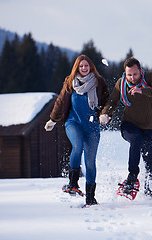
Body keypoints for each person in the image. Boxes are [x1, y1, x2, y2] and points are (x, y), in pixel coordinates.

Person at [44, 54, 109, 207]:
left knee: (90, 162)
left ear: (91, 67)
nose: (84, 68)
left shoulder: (99, 83)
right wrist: (53, 120)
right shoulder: (70, 83)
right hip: (73, 123)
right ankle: (72, 183)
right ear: (77, 68)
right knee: (77, 147)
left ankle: (90, 198)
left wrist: (106, 114)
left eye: (86, 66)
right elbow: (60, 101)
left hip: (92, 127)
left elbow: (107, 102)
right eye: (81, 66)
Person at [99, 57, 152, 197]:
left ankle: (150, 194)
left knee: (151, 164)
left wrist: (143, 90)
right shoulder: (122, 82)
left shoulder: (149, 77)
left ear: (140, 71)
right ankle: (131, 179)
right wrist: (105, 114)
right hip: (129, 125)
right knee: (136, 139)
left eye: (135, 74)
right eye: (129, 74)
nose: (132, 77)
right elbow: (113, 101)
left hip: (148, 127)